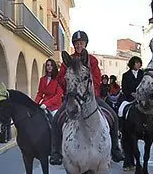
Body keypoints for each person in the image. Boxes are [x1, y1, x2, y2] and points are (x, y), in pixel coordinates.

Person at [50, 30, 124, 165]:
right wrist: (70, 88)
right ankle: (56, 152)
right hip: (72, 97)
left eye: (81, 43)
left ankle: (115, 148)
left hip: (91, 97)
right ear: (74, 44)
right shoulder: (68, 60)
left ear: (85, 44)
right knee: (56, 120)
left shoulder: (92, 60)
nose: (79, 46)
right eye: (77, 43)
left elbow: (96, 78)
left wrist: (89, 92)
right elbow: (61, 78)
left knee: (113, 116)